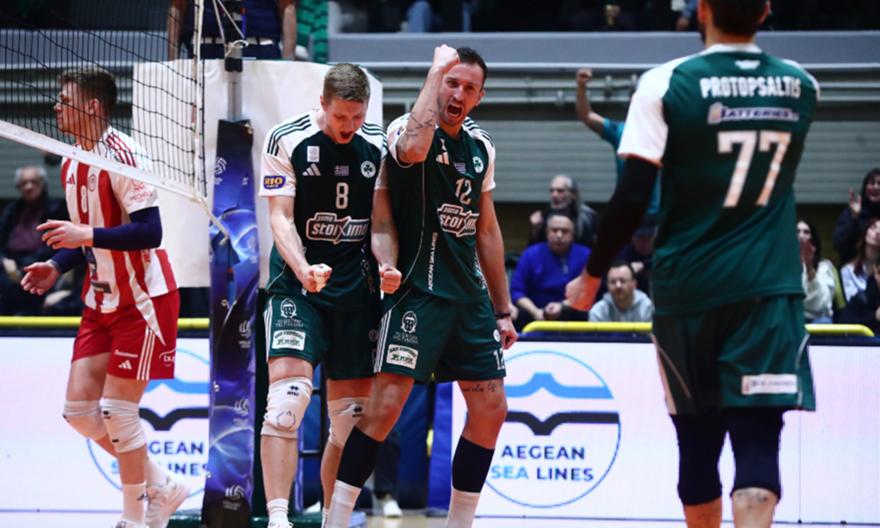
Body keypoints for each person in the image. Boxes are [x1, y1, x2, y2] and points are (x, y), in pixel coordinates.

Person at [565, 1, 819, 526]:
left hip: (688, 289)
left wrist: (591, 276)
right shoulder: (801, 85)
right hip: (767, 289)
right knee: (758, 442)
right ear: (766, 10)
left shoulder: (665, 84)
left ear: (701, 9)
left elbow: (632, 198)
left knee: (698, 444)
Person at [325, 45, 517, 528]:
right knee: (385, 407)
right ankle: (337, 519)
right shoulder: (403, 130)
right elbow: (413, 149)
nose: (458, 94)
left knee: (491, 409)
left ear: (480, 97)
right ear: (437, 85)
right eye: (452, 83)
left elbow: (487, 230)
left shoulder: (481, 147)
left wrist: (503, 309)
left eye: (469, 88)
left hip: (468, 299)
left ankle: (460, 524)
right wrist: (435, 71)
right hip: (417, 291)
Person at [20, 67, 187, 528]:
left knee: (117, 410)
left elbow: (150, 231)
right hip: (100, 302)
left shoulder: (125, 156)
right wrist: (56, 265)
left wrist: (85, 236)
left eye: (64, 99)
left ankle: (133, 518)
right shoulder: (71, 160)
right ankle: (163, 484)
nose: (56, 107)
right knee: (78, 413)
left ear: (92, 106)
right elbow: (85, 237)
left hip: (143, 300)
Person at [257, 63, 387, 528]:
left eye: (357, 117)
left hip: (357, 291)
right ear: (323, 105)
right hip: (298, 285)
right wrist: (304, 269)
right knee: (287, 403)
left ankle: (334, 520)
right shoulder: (286, 138)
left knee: (350, 422)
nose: (349, 126)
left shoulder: (378, 145)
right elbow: (280, 217)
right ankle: (278, 519)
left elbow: (383, 221)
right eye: (340, 117)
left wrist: (388, 265)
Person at [575, 68, 660, 216]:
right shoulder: (621, 131)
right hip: (627, 213)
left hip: (660, 216)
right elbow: (587, 116)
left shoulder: (664, 132)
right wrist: (581, 86)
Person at [0, 165, 68, 315]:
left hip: (41, 264)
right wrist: (4, 260)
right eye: (24, 183)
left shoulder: (57, 208)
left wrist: (23, 266)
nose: (28, 187)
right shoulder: (12, 210)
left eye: (33, 182)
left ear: (43, 184)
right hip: (9, 267)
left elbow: (56, 245)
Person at [510, 213, 591, 329]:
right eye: (554, 230)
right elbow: (517, 291)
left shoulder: (586, 255)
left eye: (565, 231)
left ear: (573, 234)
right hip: (535, 312)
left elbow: (589, 290)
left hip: (571, 310)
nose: (559, 235)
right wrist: (535, 312)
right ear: (547, 233)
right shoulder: (531, 254)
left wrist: (562, 306)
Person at [168, 0, 297, 60]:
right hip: (206, 52)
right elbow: (177, 7)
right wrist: (172, 64)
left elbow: (287, 7)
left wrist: (288, 63)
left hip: (261, 50)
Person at [527, 174, 598, 247]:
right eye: (552, 191)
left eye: (560, 191)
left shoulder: (587, 217)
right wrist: (536, 229)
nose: (554, 195)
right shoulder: (546, 215)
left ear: (573, 194)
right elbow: (535, 248)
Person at [832, 168, 880, 264]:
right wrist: (854, 217)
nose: (876, 187)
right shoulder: (851, 212)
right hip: (853, 268)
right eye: (872, 183)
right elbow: (838, 243)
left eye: (879, 184)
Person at [588, 260, 654, 322]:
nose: (618, 286)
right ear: (607, 285)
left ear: (634, 284)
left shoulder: (648, 308)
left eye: (622, 281)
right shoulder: (598, 311)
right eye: (613, 282)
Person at [797, 219, 836, 323]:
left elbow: (822, 304)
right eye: (797, 231)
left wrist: (809, 268)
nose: (801, 235)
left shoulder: (824, 266)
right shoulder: (784, 264)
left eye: (806, 232)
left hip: (818, 319)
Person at [840, 217, 880, 302]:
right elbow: (852, 301)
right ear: (865, 233)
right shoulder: (848, 271)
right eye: (873, 228)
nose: (877, 232)